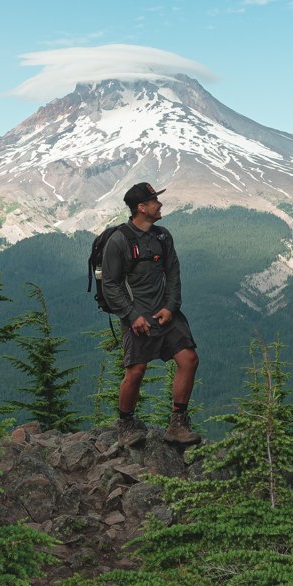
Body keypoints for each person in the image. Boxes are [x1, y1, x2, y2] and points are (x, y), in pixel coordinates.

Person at [100, 182, 200, 445]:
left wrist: (171, 307)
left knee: (189, 359)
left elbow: (174, 274)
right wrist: (132, 316)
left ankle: (178, 424)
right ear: (141, 208)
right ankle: (125, 423)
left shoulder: (163, 237)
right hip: (137, 316)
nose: (160, 204)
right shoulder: (119, 241)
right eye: (155, 201)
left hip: (166, 313)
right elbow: (110, 285)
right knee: (136, 371)